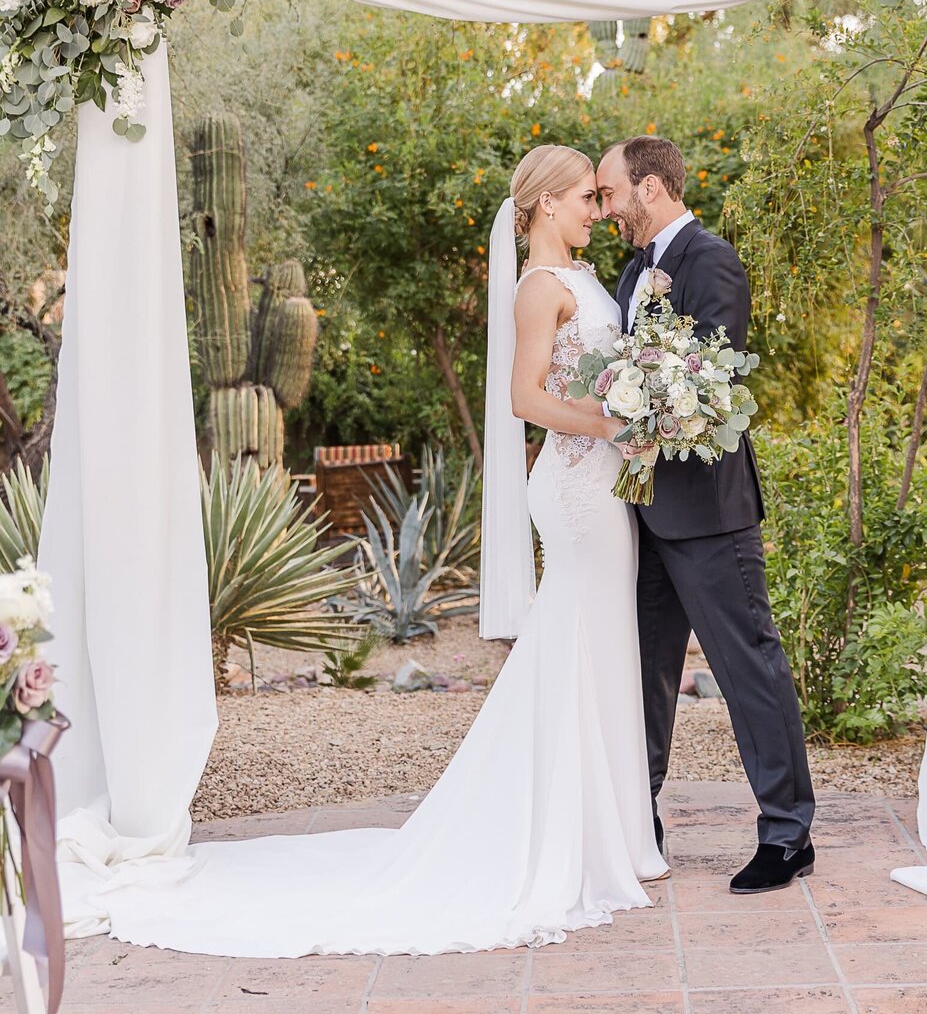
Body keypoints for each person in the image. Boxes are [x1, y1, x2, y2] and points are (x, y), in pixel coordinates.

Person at [96, 144, 664, 958]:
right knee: (579, 644)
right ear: (543, 206)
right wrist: (616, 424)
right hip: (576, 490)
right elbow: (524, 397)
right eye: (583, 198)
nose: (596, 211)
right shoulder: (542, 287)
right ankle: (581, 839)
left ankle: (613, 835)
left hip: (603, 483)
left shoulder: (580, 280)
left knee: (599, 648)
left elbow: (587, 378)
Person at [596, 135, 817, 894]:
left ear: (650, 188)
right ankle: (638, 820)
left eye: (611, 194)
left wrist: (633, 396)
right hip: (645, 513)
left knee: (747, 666)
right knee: (643, 675)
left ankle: (788, 833)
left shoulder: (710, 260)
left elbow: (712, 377)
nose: (605, 209)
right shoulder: (633, 270)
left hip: (710, 512)